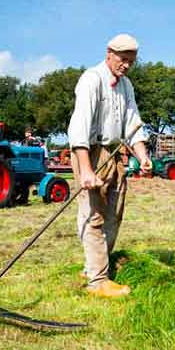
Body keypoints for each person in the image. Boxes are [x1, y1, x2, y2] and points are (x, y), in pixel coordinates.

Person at [67, 33, 151, 298]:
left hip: (115, 154)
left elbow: (133, 123)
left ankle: (93, 265)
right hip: (90, 152)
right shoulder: (92, 79)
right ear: (109, 53)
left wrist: (142, 155)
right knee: (94, 215)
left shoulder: (126, 86)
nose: (126, 65)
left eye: (131, 62)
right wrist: (86, 169)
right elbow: (79, 125)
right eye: (122, 59)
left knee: (115, 213)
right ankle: (98, 281)